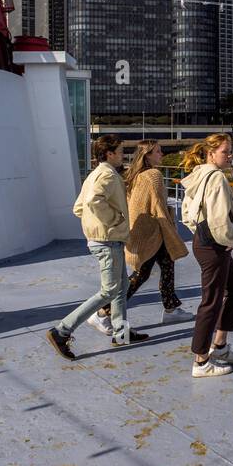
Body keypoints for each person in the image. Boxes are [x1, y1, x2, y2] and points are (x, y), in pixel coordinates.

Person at [46, 134, 149, 360]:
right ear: (109, 153)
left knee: (120, 288)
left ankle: (121, 334)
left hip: (105, 238)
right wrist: (115, 221)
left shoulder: (94, 174)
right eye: (121, 151)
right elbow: (93, 201)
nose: (123, 155)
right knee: (110, 290)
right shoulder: (107, 174)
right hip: (107, 240)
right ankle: (61, 331)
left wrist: (96, 224)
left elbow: (79, 208)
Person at [92, 140, 190, 332]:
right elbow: (158, 207)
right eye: (158, 152)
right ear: (147, 155)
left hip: (140, 230)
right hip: (151, 233)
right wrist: (171, 227)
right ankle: (103, 313)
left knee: (167, 263)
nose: (161, 154)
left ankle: (171, 308)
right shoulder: (153, 175)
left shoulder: (134, 175)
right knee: (141, 275)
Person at [180, 134, 233, 377]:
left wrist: (198, 231)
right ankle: (200, 361)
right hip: (216, 245)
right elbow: (220, 220)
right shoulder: (216, 178)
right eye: (225, 152)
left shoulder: (199, 174)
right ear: (211, 154)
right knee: (211, 301)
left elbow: (186, 210)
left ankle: (219, 346)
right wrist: (230, 242)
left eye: (231, 152)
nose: (229, 156)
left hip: (204, 241)